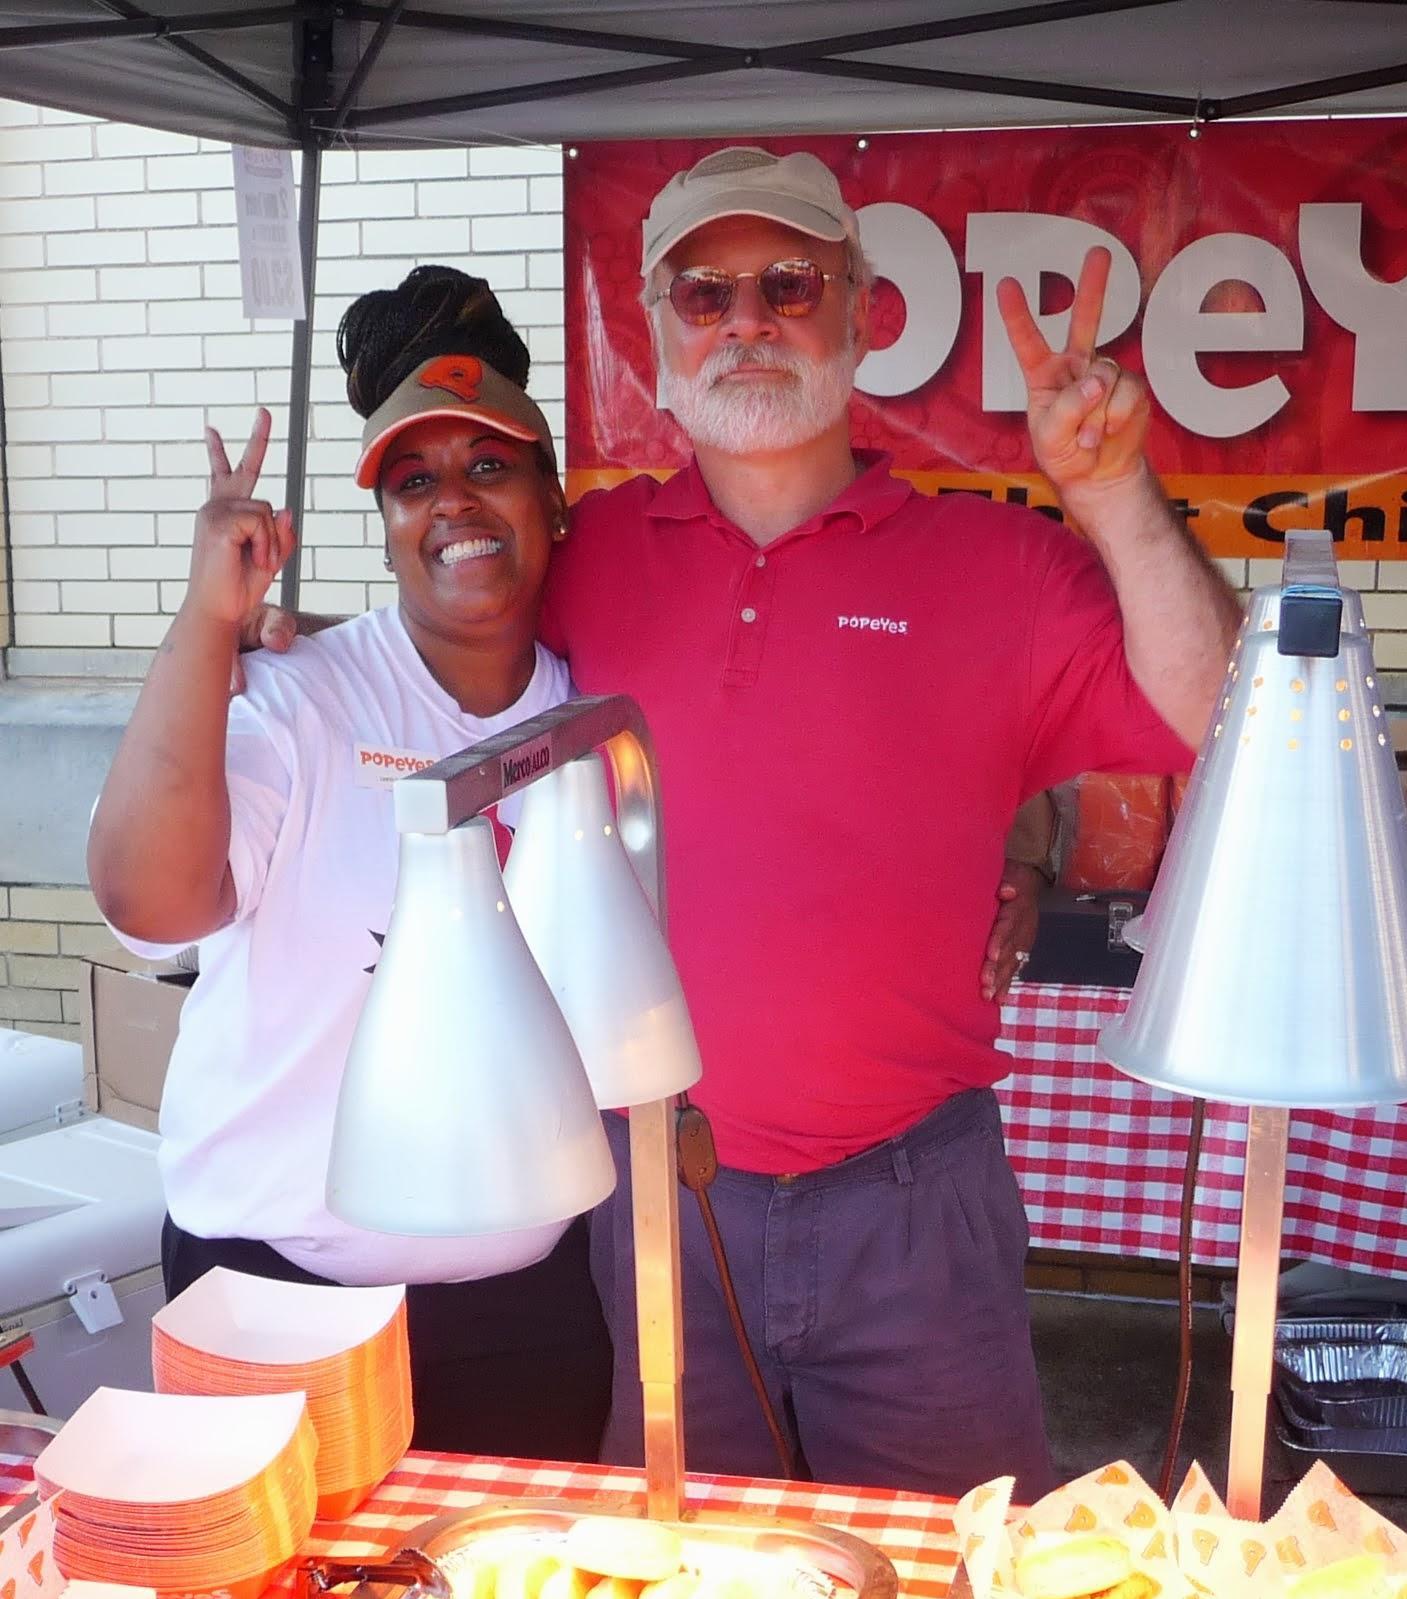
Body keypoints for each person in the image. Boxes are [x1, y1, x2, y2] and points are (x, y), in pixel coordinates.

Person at [534, 147, 1242, 1501]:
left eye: (787, 284)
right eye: (703, 293)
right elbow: (442, 686)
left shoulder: (999, 566)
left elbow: (1216, 707)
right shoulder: (591, 558)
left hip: (914, 1208)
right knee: (694, 1597)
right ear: (656, 333)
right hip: (658, 1195)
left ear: (860, 314)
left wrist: (1106, 494)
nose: (744, 320)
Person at [87, 266, 615, 1462]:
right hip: (277, 1298)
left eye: (489, 466)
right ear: (383, 523)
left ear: (553, 497)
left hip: (522, 1308)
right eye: (414, 480)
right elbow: (150, 901)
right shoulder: (296, 698)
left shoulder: (597, 706)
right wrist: (208, 620)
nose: (455, 504)